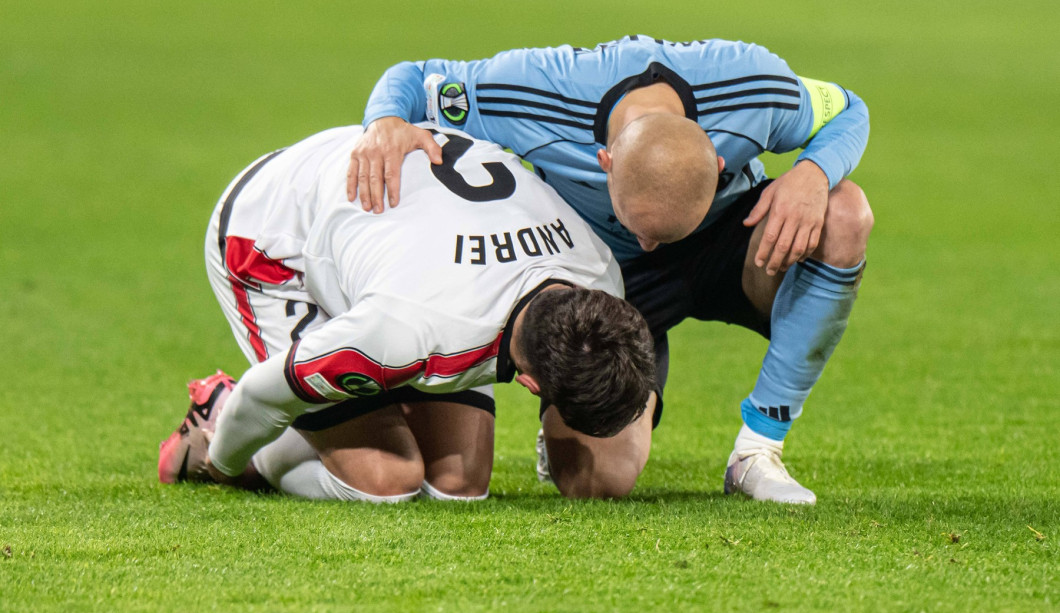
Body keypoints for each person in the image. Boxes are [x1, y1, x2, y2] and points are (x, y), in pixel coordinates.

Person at [346, 36, 875, 504]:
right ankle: (576, 399)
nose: (650, 242)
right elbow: (413, 78)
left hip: (731, 245)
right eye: (639, 225)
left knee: (844, 212)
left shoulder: (754, 87)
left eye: (661, 232)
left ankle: (758, 450)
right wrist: (385, 121)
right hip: (609, 280)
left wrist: (813, 170)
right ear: (606, 161)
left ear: (716, 163)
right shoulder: (532, 91)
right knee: (598, 482)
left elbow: (851, 109)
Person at [157, 123, 657, 502]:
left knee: (457, 487)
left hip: (396, 237)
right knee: (386, 483)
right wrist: (224, 464)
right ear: (531, 384)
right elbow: (266, 395)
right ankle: (215, 413)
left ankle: (368, 403)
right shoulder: (408, 328)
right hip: (271, 234)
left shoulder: (597, 274)